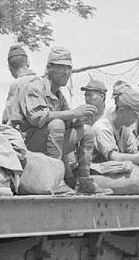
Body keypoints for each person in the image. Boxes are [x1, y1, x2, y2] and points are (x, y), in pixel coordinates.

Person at [11, 46, 106, 194]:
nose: (66, 72)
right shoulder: (35, 86)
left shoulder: (58, 94)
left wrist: (79, 118)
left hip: (48, 143)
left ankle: (84, 180)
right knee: (57, 124)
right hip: (28, 145)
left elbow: (68, 121)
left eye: (69, 68)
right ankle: (56, 181)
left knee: (88, 130)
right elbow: (38, 118)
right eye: (61, 67)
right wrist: (73, 113)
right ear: (49, 67)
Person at [93, 88, 139, 164]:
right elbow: (114, 157)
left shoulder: (125, 130)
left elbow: (135, 156)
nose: (137, 119)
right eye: (135, 115)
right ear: (121, 111)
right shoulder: (102, 127)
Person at [1, 45, 36, 124]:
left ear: (9, 68)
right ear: (28, 63)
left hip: (24, 132)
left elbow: (8, 115)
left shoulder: (16, 85)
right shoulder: (41, 81)